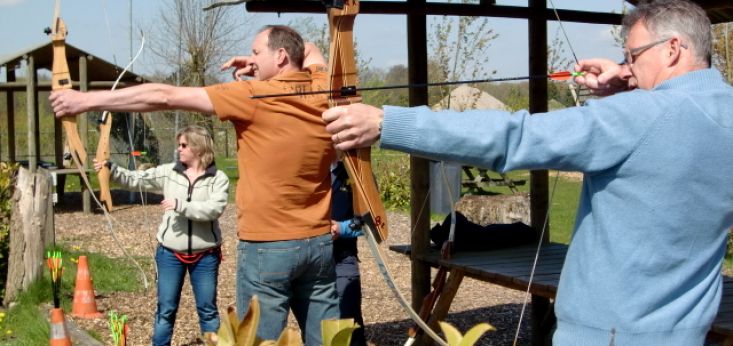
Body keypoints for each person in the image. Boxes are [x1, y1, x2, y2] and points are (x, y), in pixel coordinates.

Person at [322, 0, 733, 344]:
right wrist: (625, 93)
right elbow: (666, 147)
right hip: (684, 331)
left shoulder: (640, 116)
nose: (627, 68)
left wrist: (386, 124)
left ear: (673, 48)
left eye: (633, 56)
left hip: (607, 335)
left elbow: (516, 137)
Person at [52, 25, 339, 345]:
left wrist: (86, 101)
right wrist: (262, 63)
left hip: (268, 246)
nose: (252, 60)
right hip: (318, 244)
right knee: (328, 340)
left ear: (281, 56)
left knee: (258, 341)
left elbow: (164, 96)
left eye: (256, 52)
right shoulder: (323, 87)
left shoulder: (254, 96)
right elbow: (310, 48)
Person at [93, 126, 229, 345]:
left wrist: (180, 205)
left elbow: (214, 209)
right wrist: (111, 169)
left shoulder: (218, 178)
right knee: (165, 310)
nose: (179, 149)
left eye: (184, 145)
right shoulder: (169, 172)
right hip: (169, 254)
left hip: (205, 256)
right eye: (179, 145)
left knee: (208, 311)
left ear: (198, 147)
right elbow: (136, 179)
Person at [329, 160, 367, 346]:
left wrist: (341, 229)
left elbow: (373, 221)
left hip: (343, 257)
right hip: (309, 259)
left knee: (349, 321)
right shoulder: (304, 168)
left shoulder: (357, 172)